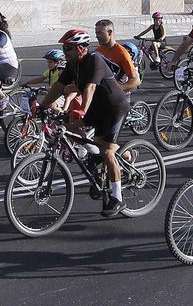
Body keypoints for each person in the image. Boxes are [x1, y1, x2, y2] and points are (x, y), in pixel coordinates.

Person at [37, 29, 131, 216]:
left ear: (80, 49)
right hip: (97, 108)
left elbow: (90, 87)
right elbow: (58, 87)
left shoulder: (94, 60)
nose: (65, 52)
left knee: (106, 151)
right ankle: (105, 160)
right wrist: (42, 106)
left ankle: (118, 198)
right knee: (70, 128)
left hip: (114, 107)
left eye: (68, 48)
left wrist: (82, 110)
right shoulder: (73, 65)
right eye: (64, 48)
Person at [92, 19, 142, 94]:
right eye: (96, 33)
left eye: (100, 33)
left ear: (109, 32)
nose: (97, 36)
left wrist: (118, 89)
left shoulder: (122, 53)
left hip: (119, 96)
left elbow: (136, 81)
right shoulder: (98, 51)